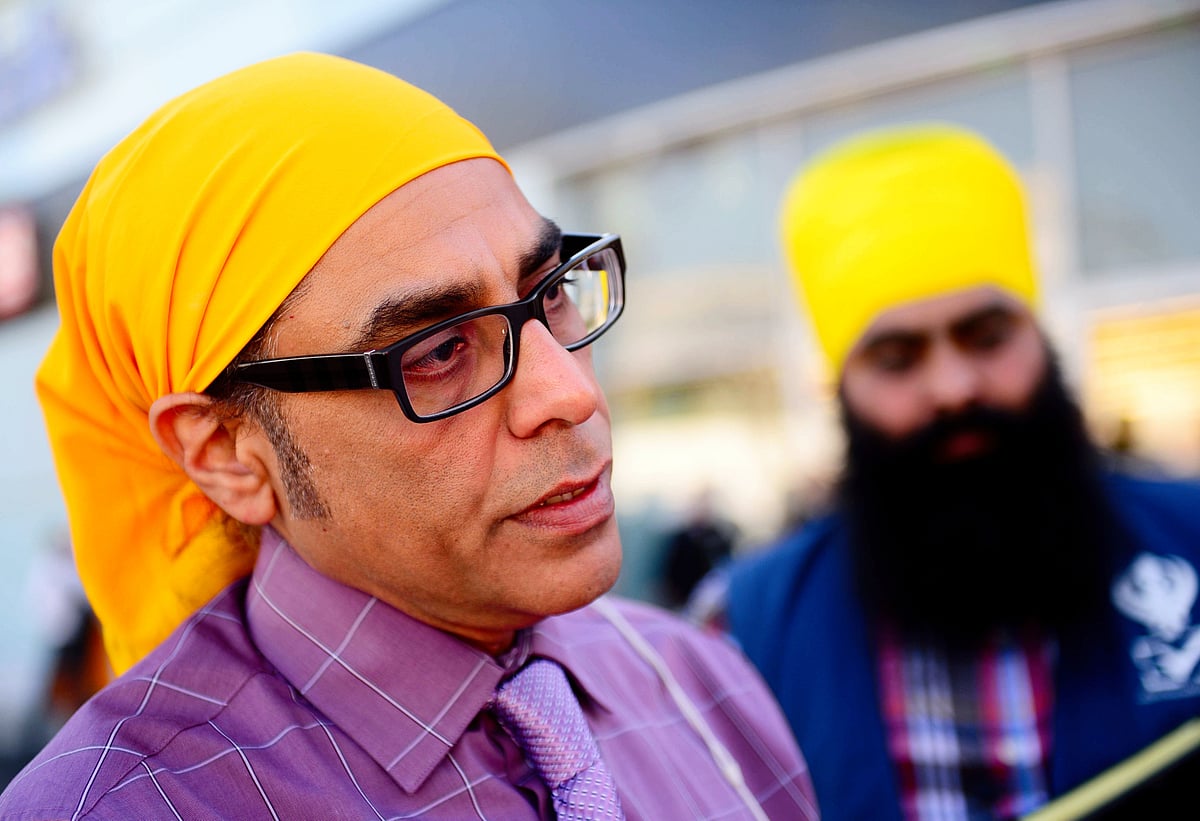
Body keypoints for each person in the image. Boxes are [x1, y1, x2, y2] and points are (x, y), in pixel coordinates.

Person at [0, 53, 819, 820]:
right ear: (224, 452)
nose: (567, 393)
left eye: (553, 291)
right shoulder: (125, 805)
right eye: (438, 351)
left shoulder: (695, 682)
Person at [702, 124, 1200, 821]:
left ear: (1039, 333)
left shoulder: (1193, 541)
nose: (956, 386)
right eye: (899, 358)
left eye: (987, 336)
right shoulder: (742, 632)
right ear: (841, 388)